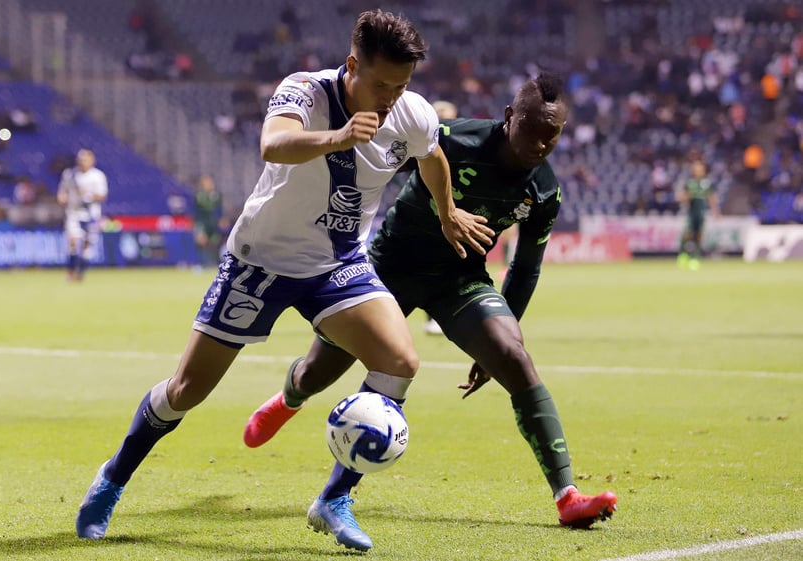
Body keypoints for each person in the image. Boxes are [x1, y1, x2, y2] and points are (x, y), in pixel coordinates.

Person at [74, 10, 492, 541]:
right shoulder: (305, 92)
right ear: (352, 66)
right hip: (260, 260)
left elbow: (432, 156)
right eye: (382, 83)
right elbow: (273, 144)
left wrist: (447, 210)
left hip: (337, 263)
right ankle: (112, 478)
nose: (391, 96)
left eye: (402, 85)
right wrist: (339, 137)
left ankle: (335, 498)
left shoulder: (411, 114)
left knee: (400, 361)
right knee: (187, 390)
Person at [244, 72, 618, 551]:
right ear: (509, 117)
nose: (541, 142)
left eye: (554, 133)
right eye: (531, 127)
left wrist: (501, 340)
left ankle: (567, 495)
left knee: (515, 358)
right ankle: (290, 398)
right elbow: (379, 166)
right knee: (320, 369)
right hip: (388, 267)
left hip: (458, 279)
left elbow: (525, 269)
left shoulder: (544, 192)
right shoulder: (454, 138)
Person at [424, 99, 459, 335]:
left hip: (456, 213)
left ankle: (452, 315)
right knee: (427, 264)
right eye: (439, 114)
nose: (443, 118)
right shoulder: (422, 144)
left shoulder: (465, 146)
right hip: (425, 214)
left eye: (447, 114)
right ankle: (432, 317)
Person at [56, 149, 108, 281]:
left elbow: (102, 196)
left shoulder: (98, 176)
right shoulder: (70, 175)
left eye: (85, 160)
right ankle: (70, 271)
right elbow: (62, 192)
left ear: (92, 161)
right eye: (80, 159)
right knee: (73, 241)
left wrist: (87, 195)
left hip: (91, 214)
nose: (82, 162)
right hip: (74, 212)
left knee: (87, 244)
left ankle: (81, 273)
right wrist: (62, 198)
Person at [676, 159, 720, 270]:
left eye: (699, 167)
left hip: (701, 213)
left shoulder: (707, 182)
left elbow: (711, 197)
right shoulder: (690, 182)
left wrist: (716, 211)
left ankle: (695, 258)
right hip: (691, 213)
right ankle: (683, 255)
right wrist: (685, 197)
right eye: (695, 167)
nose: (697, 170)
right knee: (687, 234)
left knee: (699, 235)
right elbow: (681, 197)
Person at [191, 173, 226, 269]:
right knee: (202, 241)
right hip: (202, 223)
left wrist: (222, 219)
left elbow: (220, 209)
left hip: (213, 223)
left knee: (214, 242)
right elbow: (194, 211)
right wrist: (195, 225)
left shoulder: (217, 195)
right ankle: (200, 263)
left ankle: (213, 263)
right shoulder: (198, 195)